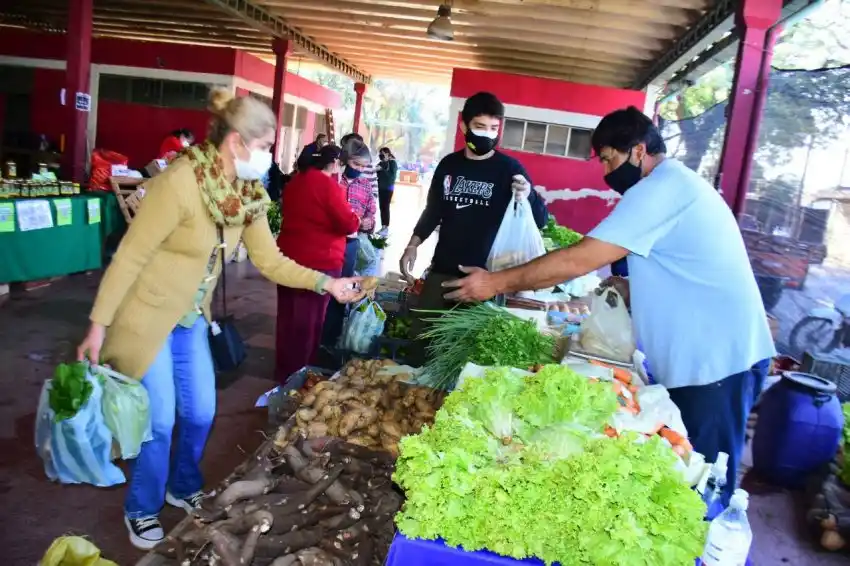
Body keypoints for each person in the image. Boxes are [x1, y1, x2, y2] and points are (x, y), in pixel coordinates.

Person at [75, 89, 364, 550]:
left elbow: (270, 260)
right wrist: (98, 323)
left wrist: (326, 283)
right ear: (236, 142)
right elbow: (130, 256)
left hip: (191, 319)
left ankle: (183, 485)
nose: (271, 157)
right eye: (266, 146)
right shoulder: (180, 183)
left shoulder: (246, 194)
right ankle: (142, 507)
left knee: (201, 410)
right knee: (161, 418)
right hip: (147, 316)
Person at [444, 106, 775, 505]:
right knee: (680, 478)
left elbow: (578, 260)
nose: (604, 172)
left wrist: (493, 282)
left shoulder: (660, 189)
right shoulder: (674, 185)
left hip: (716, 365)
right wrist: (634, 286)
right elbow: (683, 268)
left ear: (638, 150)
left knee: (699, 486)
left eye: (608, 159)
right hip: (705, 361)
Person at [400, 91, 548, 365]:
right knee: (420, 348)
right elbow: (433, 211)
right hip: (442, 274)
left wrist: (529, 194)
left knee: (465, 359)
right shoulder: (449, 165)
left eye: (494, 129)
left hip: (485, 281)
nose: (488, 135)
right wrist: (413, 243)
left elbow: (540, 220)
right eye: (480, 127)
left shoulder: (509, 169)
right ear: (464, 126)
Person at [276, 145, 361, 382]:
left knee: (287, 319)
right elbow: (349, 224)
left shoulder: (295, 182)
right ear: (335, 164)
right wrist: (357, 218)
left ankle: (282, 373)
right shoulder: (327, 186)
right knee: (308, 325)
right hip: (319, 262)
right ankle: (298, 379)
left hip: (287, 260)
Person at [321, 139, 378, 348]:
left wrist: (368, 222)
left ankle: (331, 338)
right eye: (356, 165)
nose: (360, 170)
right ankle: (316, 334)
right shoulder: (333, 181)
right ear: (345, 161)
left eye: (363, 167)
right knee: (323, 287)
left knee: (343, 289)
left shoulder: (365, 185)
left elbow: (372, 211)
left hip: (351, 243)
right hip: (328, 242)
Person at [376, 146, 398, 235]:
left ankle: (386, 227)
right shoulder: (381, 163)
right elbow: (375, 170)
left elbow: (392, 177)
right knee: (382, 207)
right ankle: (383, 226)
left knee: (386, 206)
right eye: (380, 154)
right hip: (381, 188)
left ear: (387, 153)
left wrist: (383, 169)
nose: (381, 155)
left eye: (382, 154)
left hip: (388, 188)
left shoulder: (392, 163)